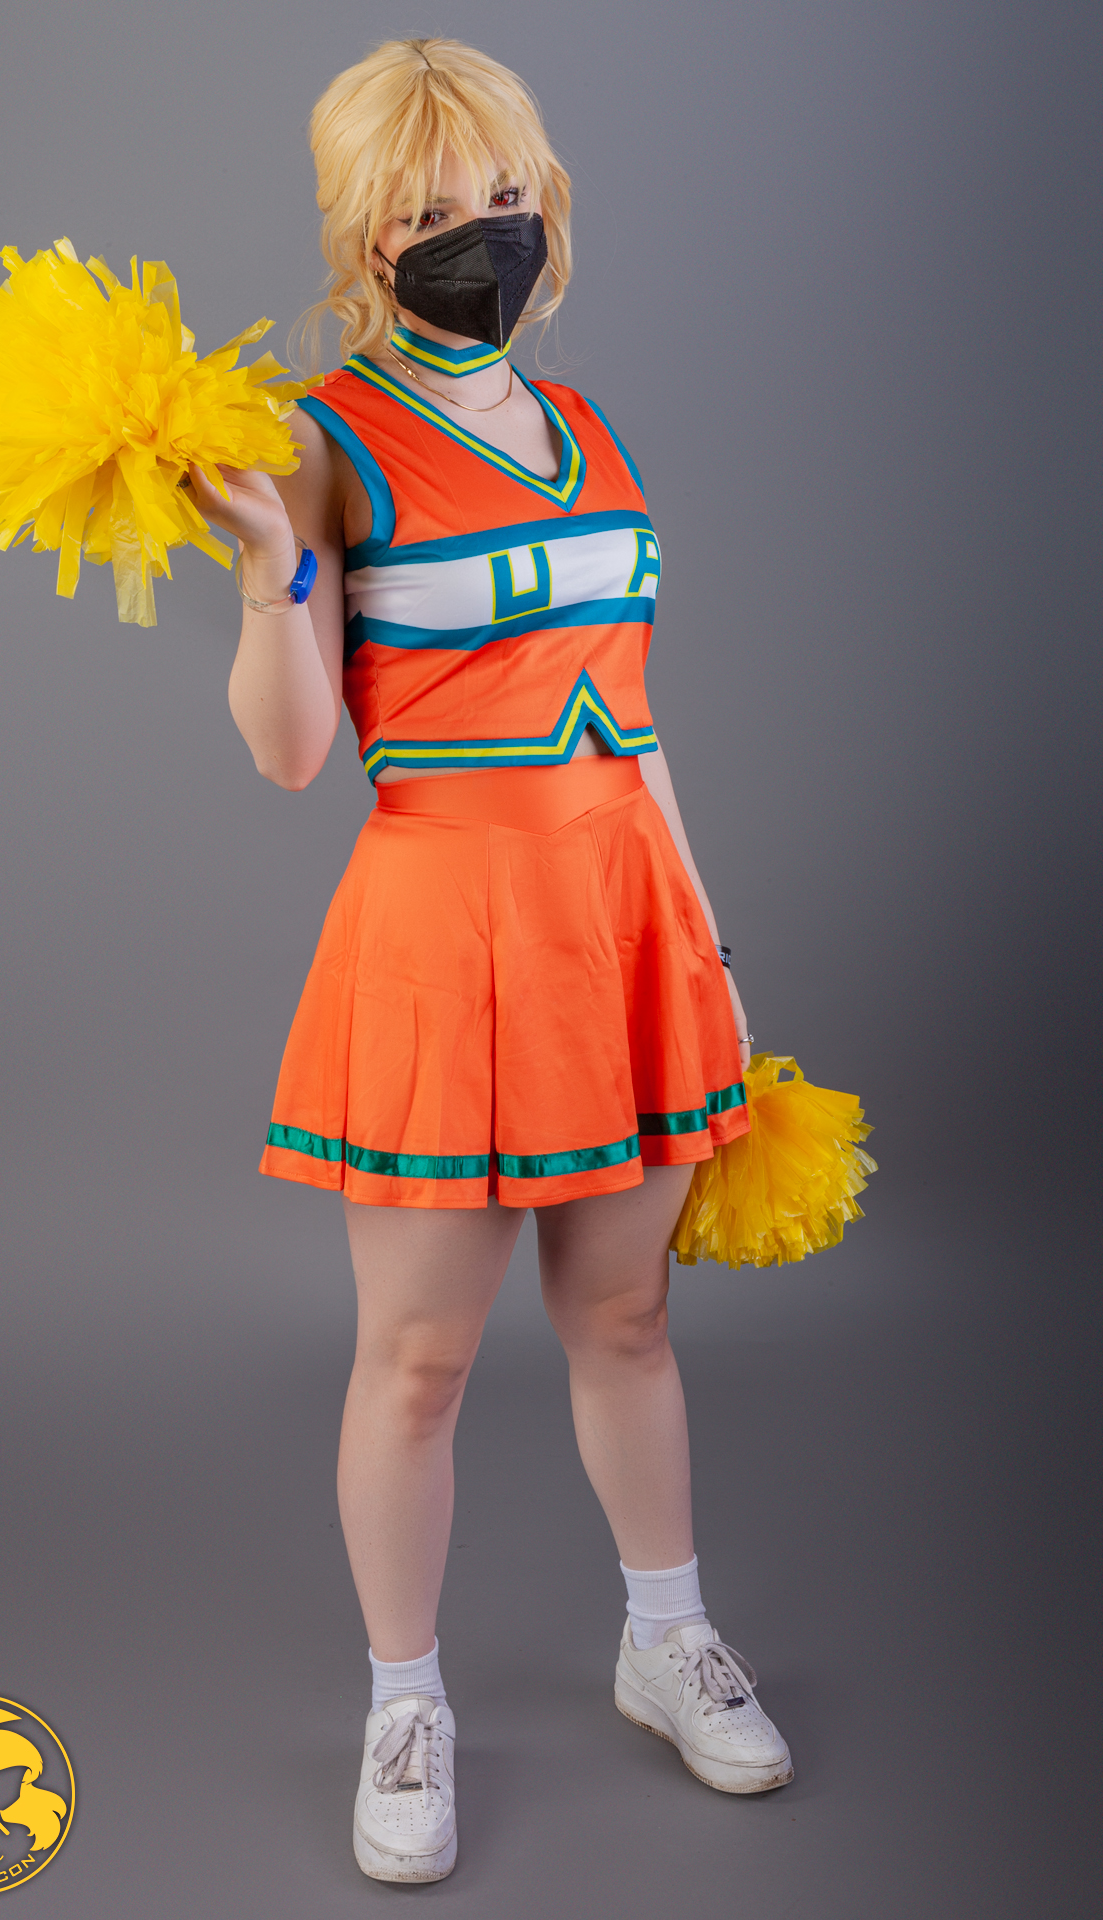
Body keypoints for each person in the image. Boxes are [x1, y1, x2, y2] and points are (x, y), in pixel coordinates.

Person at [188, 36, 792, 1885]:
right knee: (418, 1358)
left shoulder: (583, 423)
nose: (484, 234)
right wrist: (269, 572)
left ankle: (663, 1636)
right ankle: (403, 1702)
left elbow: (630, 715)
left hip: (623, 918)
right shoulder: (317, 438)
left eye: (507, 197)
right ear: (364, 233)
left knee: (626, 1319)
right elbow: (291, 753)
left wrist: (709, 941)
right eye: (436, 209)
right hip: (442, 931)